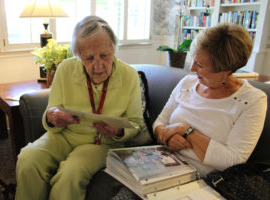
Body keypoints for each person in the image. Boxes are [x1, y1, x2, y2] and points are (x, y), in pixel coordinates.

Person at [15, 16, 144, 200]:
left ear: (113, 49)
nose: (98, 65)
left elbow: (137, 123)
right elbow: (51, 110)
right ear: (78, 55)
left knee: (71, 173)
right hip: (64, 135)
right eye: (89, 58)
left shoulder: (129, 75)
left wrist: (118, 130)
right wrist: (53, 117)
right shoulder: (65, 69)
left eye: (104, 55)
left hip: (101, 143)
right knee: (28, 159)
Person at [153, 23, 267, 177]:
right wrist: (167, 137)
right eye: (194, 60)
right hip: (163, 164)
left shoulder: (252, 101)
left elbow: (234, 160)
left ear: (225, 71)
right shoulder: (187, 83)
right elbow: (159, 123)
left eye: (199, 65)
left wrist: (185, 130)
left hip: (204, 180)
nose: (192, 68)